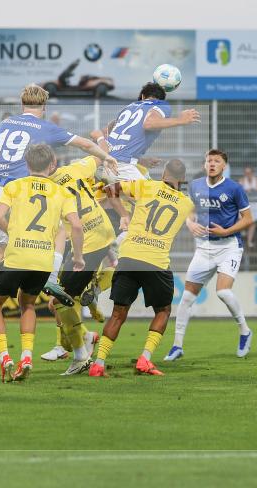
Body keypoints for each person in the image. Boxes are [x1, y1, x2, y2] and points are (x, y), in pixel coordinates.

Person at [0, 84, 117, 322]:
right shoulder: (46, 128)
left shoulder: (5, 124)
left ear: (22, 104)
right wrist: (107, 157)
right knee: (58, 230)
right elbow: (86, 145)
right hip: (16, 190)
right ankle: (52, 279)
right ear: (43, 107)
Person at [0, 144, 84, 382]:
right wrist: (78, 257)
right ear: (52, 165)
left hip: (18, 255)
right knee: (27, 304)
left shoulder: (14, 186)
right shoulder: (62, 192)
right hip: (43, 259)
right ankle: (27, 356)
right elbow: (77, 226)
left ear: (27, 164)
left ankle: (6, 358)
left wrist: (13, 234)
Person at [90, 159, 195, 378]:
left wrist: (124, 214)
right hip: (156, 261)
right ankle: (145, 360)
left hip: (129, 256)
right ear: (183, 180)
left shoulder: (144, 186)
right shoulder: (186, 203)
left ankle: (98, 364)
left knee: (118, 314)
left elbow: (110, 190)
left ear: (164, 172)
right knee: (163, 311)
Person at [165, 150, 254, 363]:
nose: (212, 164)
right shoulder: (195, 186)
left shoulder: (234, 188)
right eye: (209, 161)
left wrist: (227, 231)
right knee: (186, 297)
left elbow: (248, 218)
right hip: (204, 249)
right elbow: (189, 210)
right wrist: (190, 223)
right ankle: (177, 346)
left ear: (224, 166)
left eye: (217, 161)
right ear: (204, 164)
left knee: (223, 292)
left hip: (229, 247)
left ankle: (244, 331)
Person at [44, 155, 120, 375]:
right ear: (54, 162)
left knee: (58, 300)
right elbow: (98, 156)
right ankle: (86, 333)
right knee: (65, 299)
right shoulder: (76, 168)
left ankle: (80, 354)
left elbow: (67, 226)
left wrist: (77, 257)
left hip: (86, 243)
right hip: (105, 231)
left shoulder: (47, 189)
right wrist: (103, 146)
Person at [91, 82, 199, 182]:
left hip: (102, 163)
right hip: (121, 169)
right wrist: (181, 120)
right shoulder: (160, 105)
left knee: (115, 198)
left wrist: (141, 161)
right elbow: (149, 123)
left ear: (142, 96)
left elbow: (108, 133)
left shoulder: (127, 108)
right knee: (154, 199)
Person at [239, 166, 257, 248]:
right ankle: (242, 232)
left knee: (253, 222)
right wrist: (246, 191)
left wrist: (254, 189)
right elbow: (238, 190)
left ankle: (249, 241)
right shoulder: (242, 180)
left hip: (255, 204)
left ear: (252, 173)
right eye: (246, 173)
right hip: (245, 204)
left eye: (249, 173)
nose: (248, 174)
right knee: (242, 219)